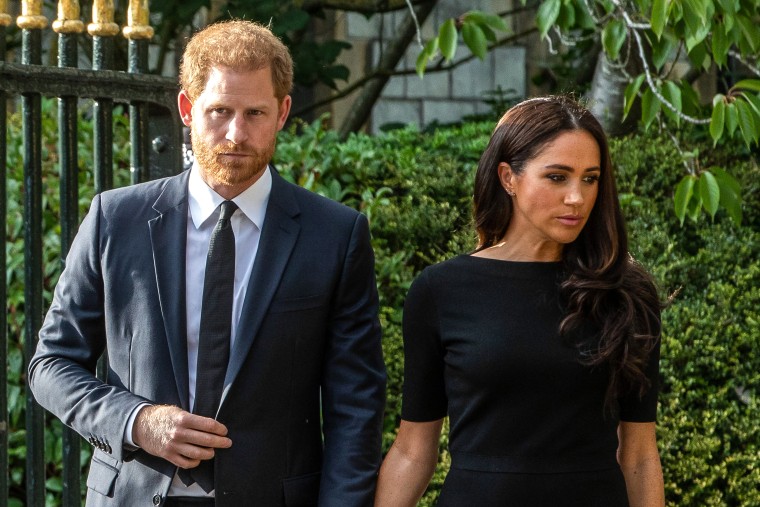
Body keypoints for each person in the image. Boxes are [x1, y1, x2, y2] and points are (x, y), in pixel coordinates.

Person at [29, 20, 386, 507]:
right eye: (219, 111)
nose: (236, 134)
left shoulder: (335, 235)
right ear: (186, 108)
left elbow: (356, 405)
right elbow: (50, 365)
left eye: (255, 113)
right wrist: (136, 422)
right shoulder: (117, 219)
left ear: (282, 112)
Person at [375, 95, 665, 507]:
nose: (577, 198)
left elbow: (638, 454)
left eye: (590, 178)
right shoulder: (440, 291)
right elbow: (413, 449)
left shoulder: (627, 294)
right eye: (557, 177)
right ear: (509, 177)